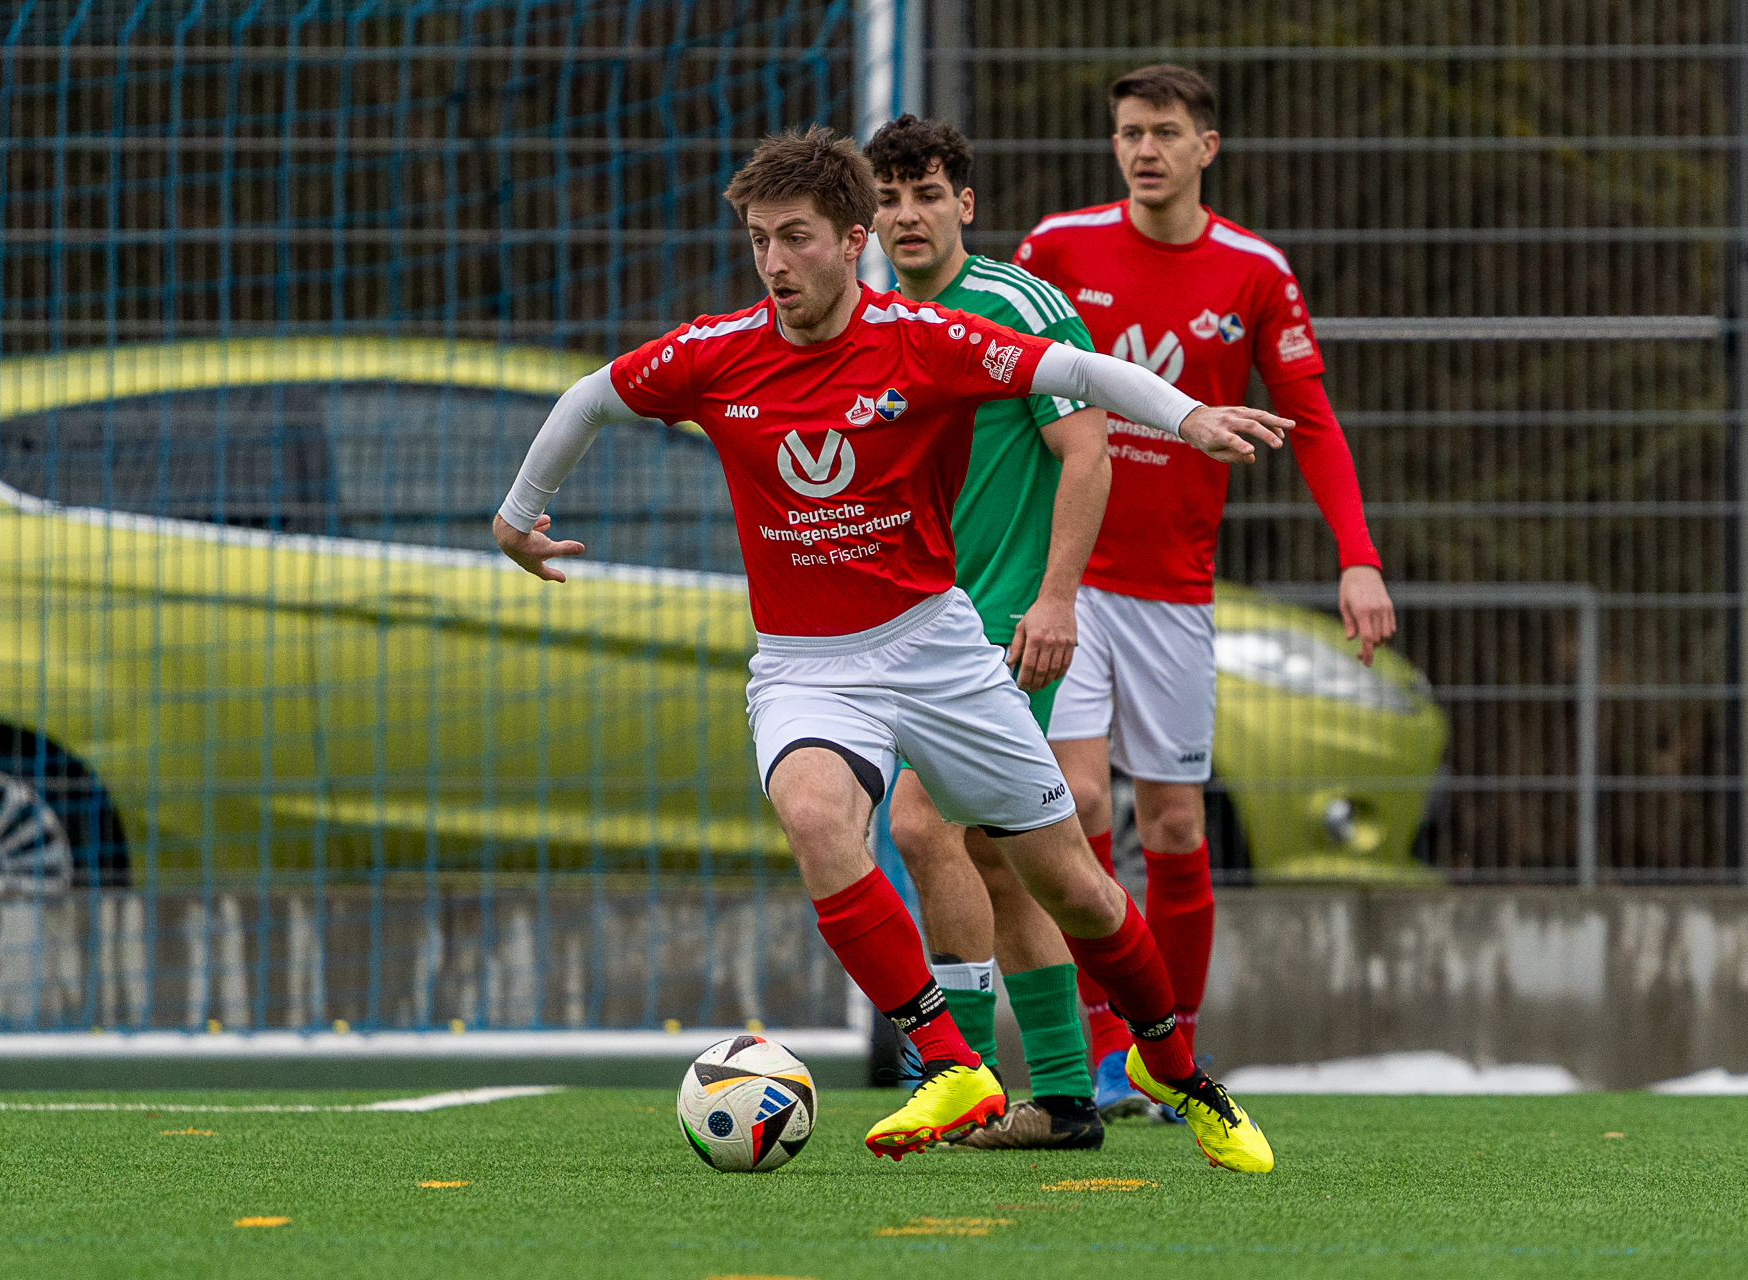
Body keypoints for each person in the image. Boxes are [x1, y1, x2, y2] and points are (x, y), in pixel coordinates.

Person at [493, 125, 1285, 1171]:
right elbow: (590, 396)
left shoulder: (924, 338)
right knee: (817, 817)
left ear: (851, 240)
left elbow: (1080, 371)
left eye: (797, 238)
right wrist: (518, 515)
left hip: (936, 649)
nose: (774, 263)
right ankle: (950, 1060)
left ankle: (1172, 1067)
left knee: (1075, 887)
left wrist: (1187, 418)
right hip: (803, 664)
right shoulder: (714, 354)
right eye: (759, 239)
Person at [1012, 64, 1396, 1119]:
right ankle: (1105, 1051)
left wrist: (1357, 555)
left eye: (1166, 132)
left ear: (1206, 148)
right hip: (1067, 579)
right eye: (1130, 132)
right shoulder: (1058, 248)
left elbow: (1310, 419)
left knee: (1177, 825)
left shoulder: (1254, 272)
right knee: (1079, 804)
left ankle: (1166, 1047)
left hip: (1174, 592)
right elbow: (1001, 379)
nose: (1145, 150)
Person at [863, 114, 1107, 1151]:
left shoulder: (1017, 306)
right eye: (888, 197)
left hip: (1006, 624)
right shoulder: (866, 321)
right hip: (914, 630)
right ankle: (1063, 1097)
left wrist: (1056, 600)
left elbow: (1087, 449)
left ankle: (956, 1072)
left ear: (964, 204)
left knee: (923, 825)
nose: (907, 215)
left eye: (927, 194)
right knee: (1002, 862)